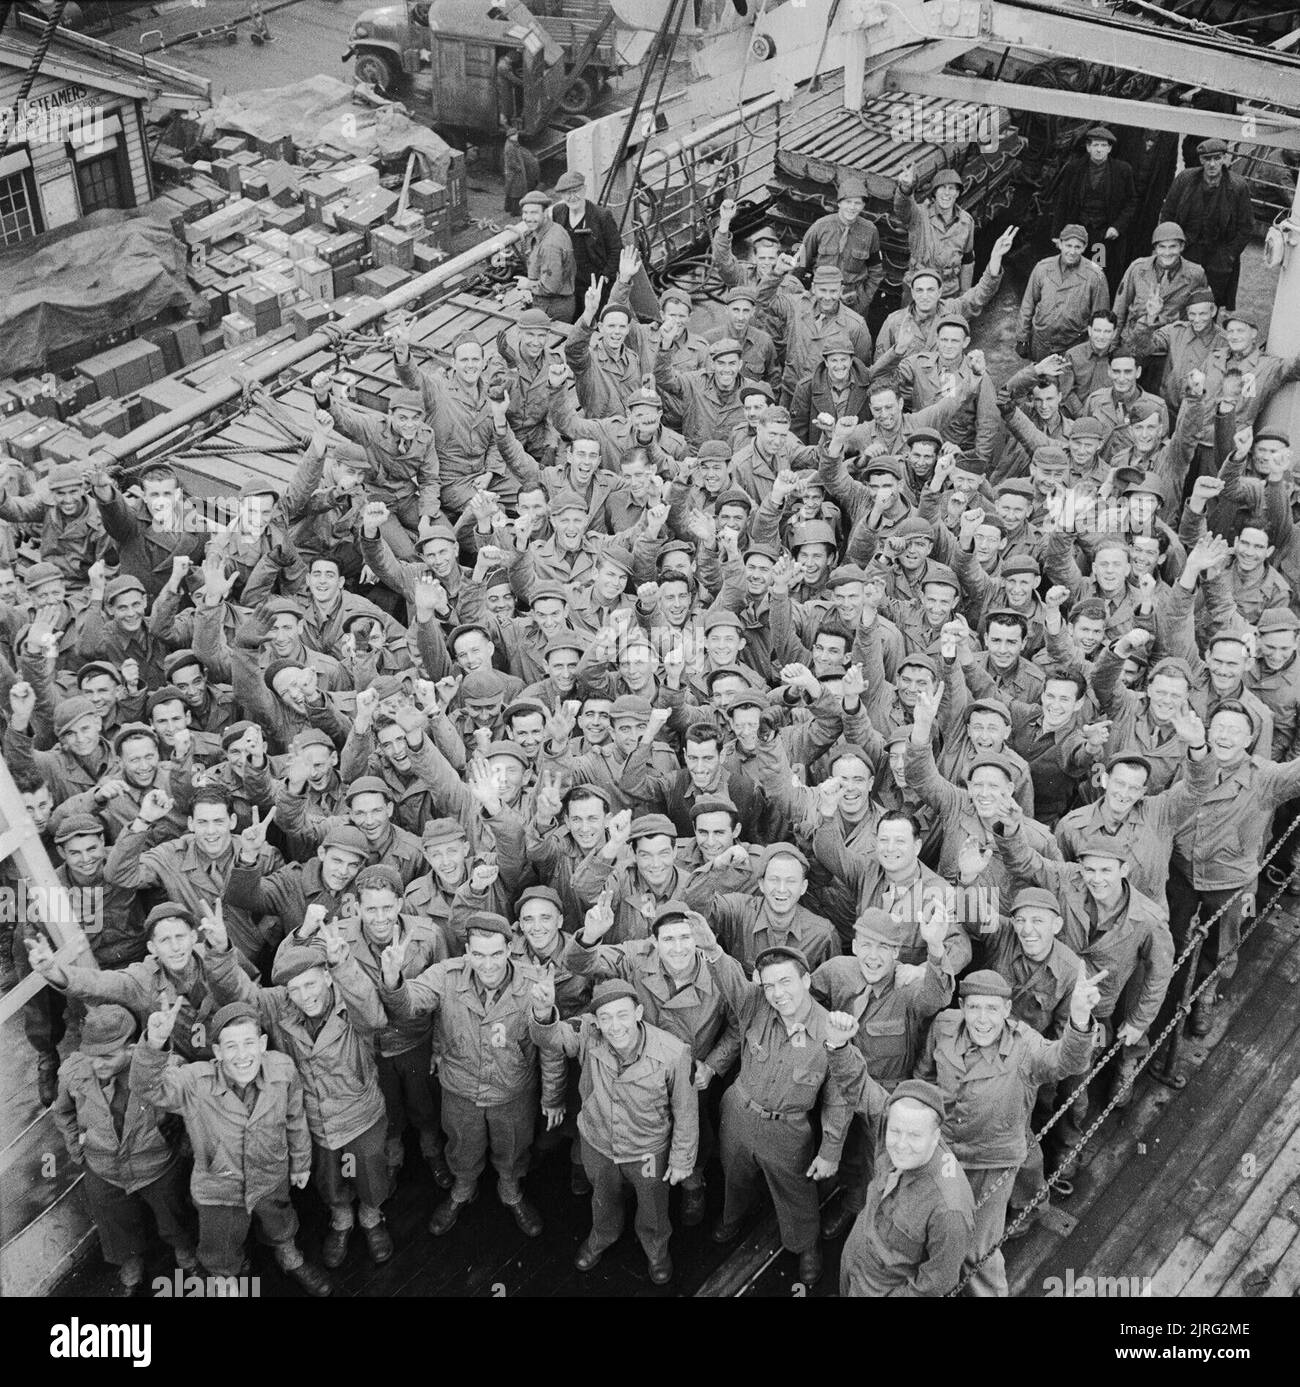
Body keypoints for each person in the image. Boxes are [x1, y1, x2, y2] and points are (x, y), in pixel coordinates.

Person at [130, 999, 331, 1295]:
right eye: (231, 1047)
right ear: (217, 1052)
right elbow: (148, 1088)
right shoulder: (195, 1082)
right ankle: (227, 1277)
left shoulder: (283, 1070)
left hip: (270, 1176)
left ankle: (288, 1255)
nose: (242, 1055)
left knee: (280, 1221)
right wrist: (155, 1043)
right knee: (220, 1244)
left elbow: (295, 1118)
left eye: (249, 1043)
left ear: (263, 1044)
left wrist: (301, 1162)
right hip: (219, 1189)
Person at [530, 975, 697, 1283]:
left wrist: (681, 1159)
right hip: (598, 1144)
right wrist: (542, 1012)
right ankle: (601, 1237)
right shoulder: (589, 1035)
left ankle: (656, 1250)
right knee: (603, 1199)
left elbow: (685, 1110)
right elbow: (553, 1038)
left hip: (647, 1151)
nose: (615, 1026)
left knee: (653, 1207)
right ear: (596, 1020)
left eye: (622, 1015)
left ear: (638, 1013)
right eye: (605, 1018)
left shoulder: (673, 1052)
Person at [53, 1004, 196, 1295]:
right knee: (113, 1220)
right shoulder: (72, 1073)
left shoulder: (164, 1069)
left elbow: (192, 1110)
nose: (97, 1065)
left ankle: (185, 1251)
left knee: (173, 1213)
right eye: (91, 1056)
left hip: (156, 1164)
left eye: (107, 1057)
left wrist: (185, 1146)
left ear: (131, 1049)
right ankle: (129, 1262)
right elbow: (63, 1112)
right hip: (103, 1166)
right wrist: (76, 1149)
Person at [1160, 138, 1255, 310]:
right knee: (1177, 299)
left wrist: (1228, 256)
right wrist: (1172, 246)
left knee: (1210, 303)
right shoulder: (1185, 179)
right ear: (1201, 160)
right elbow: (1168, 214)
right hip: (1187, 250)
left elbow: (1246, 228)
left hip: (1219, 254)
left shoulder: (1238, 187)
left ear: (1225, 158)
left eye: (1217, 158)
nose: (1212, 164)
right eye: (1207, 159)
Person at [549, 169, 622, 310]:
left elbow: (616, 249)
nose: (572, 197)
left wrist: (606, 277)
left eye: (576, 191)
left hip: (596, 280)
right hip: (570, 280)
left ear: (584, 190)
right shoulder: (558, 212)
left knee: (596, 316)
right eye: (566, 193)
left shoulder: (602, 216)